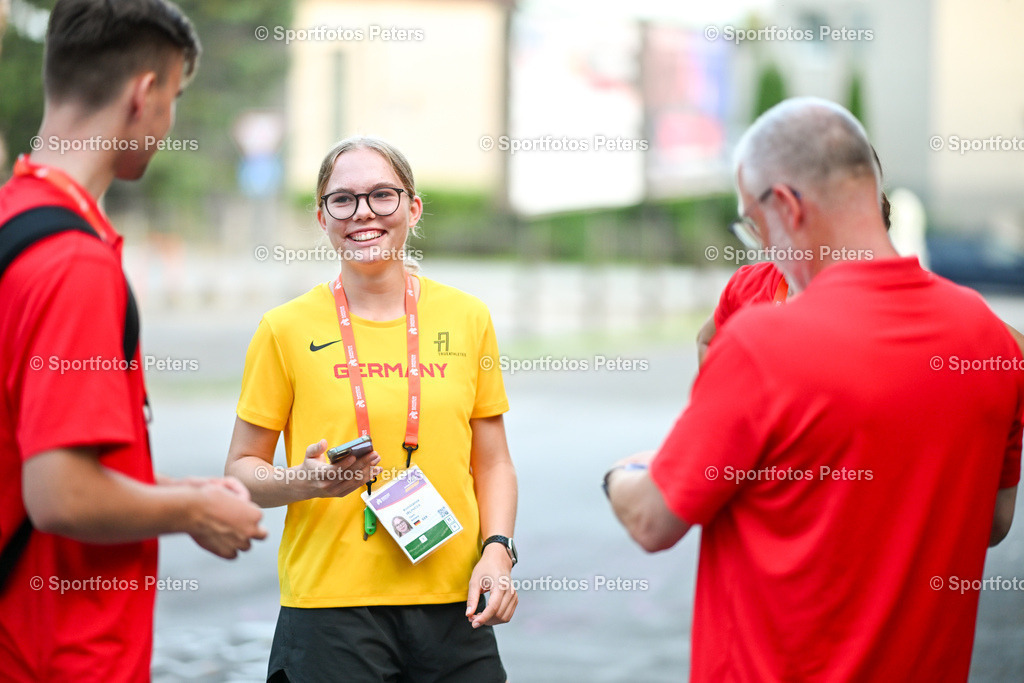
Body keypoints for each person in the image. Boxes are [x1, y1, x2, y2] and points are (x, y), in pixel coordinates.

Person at [604, 97, 1023, 681]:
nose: (761, 245)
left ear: (787, 207)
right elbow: (993, 522)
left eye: (755, 223)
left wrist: (627, 470)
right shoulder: (996, 343)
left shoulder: (762, 345)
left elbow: (652, 521)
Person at [0, 1, 267, 681]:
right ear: (143, 94)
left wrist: (165, 487)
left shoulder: (13, 224)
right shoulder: (75, 264)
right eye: (174, 97)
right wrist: (195, 507)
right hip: (60, 654)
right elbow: (60, 493)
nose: (169, 120)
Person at [225, 136, 519, 682]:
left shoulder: (468, 317)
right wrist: (302, 482)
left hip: (453, 604)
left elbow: (494, 461)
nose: (363, 213)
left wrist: (498, 551)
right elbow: (241, 473)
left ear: (413, 207)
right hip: (330, 613)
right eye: (344, 199)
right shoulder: (284, 329)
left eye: (382, 195)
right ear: (321, 215)